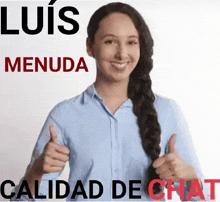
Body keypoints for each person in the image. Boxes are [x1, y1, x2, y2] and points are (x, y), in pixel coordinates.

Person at [11, 2, 210, 201]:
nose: (122, 53)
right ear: (90, 47)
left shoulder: (167, 111)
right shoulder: (64, 115)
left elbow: (202, 199)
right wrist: (36, 173)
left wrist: (190, 178)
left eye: (131, 42)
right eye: (110, 41)